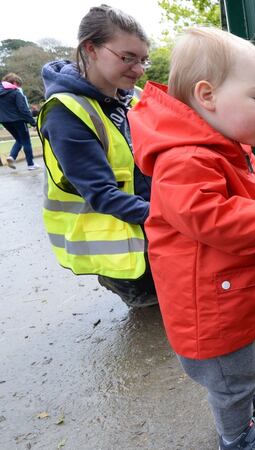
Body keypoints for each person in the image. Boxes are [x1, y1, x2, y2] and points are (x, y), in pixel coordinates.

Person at [128, 27, 255, 450]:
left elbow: (233, 199)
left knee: (235, 367)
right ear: (207, 95)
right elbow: (215, 218)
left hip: (223, 295)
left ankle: (241, 393)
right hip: (208, 309)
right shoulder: (186, 158)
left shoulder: (217, 148)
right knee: (228, 376)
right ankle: (237, 435)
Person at [38, 5, 158, 308]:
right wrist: (175, 214)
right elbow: (102, 195)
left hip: (153, 227)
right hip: (124, 244)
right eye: (127, 57)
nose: (139, 68)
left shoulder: (134, 95)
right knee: (155, 306)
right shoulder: (66, 112)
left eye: (143, 59)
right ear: (90, 48)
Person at [0, 73, 38, 170]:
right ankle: (31, 164)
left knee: (19, 140)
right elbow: (23, 109)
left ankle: (12, 156)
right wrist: (33, 123)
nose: (18, 87)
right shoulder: (16, 93)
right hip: (18, 120)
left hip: (4, 121)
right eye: (18, 85)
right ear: (14, 82)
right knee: (26, 141)